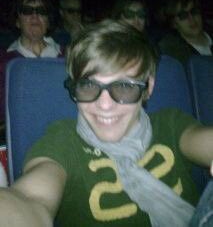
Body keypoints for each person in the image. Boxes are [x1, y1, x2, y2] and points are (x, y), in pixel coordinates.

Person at [0, 20, 213, 227]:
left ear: (147, 88)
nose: (104, 105)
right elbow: (31, 198)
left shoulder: (171, 124)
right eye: (88, 86)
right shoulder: (63, 142)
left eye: (124, 87)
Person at [0, 0, 63, 144]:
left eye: (41, 11)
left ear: (48, 20)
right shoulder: (4, 63)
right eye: (27, 10)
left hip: (63, 136)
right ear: (17, 21)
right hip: (21, 139)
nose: (35, 15)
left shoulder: (68, 56)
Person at [158, 0, 213, 65]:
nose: (191, 19)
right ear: (174, 23)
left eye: (194, 11)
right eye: (183, 15)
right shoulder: (174, 53)